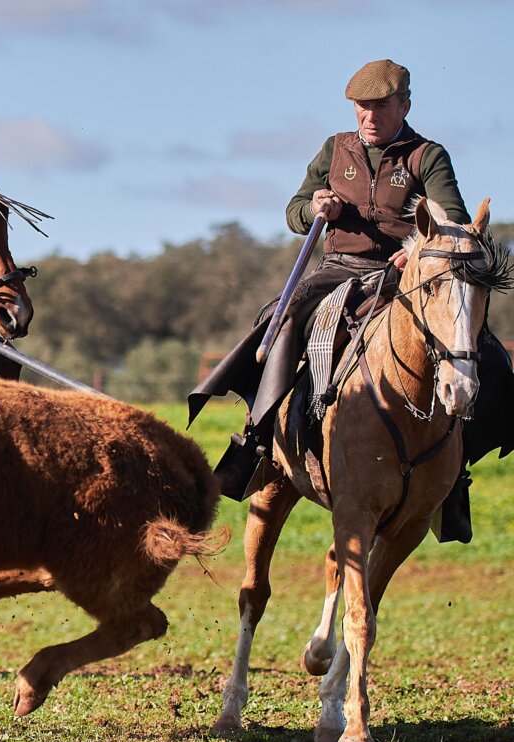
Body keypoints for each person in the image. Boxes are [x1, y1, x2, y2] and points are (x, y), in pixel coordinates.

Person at [188, 59, 514, 542]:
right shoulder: (333, 149)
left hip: (405, 275)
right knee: (280, 321)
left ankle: (455, 473)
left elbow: (454, 221)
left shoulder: (428, 156)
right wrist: (315, 206)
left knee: (482, 352)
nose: (369, 116)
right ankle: (256, 443)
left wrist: (419, 254)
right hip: (340, 269)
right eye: (362, 107)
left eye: (380, 106)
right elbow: (295, 212)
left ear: (404, 104)